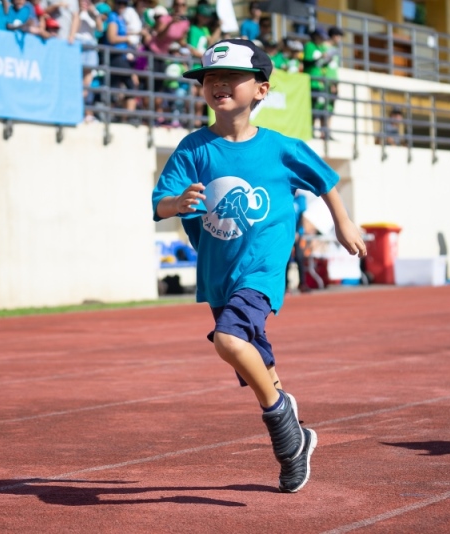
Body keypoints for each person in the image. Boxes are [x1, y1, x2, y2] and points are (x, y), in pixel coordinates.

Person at [151, 39, 367, 493]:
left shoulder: (281, 148)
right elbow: (160, 203)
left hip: (261, 270)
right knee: (257, 363)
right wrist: (177, 202)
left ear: (261, 90)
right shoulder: (193, 149)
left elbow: (325, 181)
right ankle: (295, 445)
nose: (218, 84)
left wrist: (343, 222)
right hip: (218, 273)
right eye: (210, 78)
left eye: (231, 77)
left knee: (229, 340)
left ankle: (282, 422)